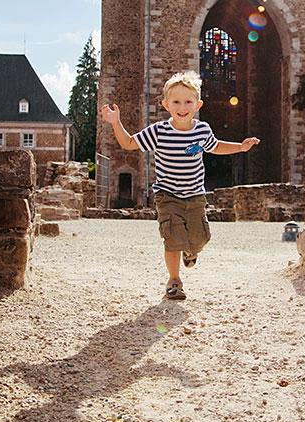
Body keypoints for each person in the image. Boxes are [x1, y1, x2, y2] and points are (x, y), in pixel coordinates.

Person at [101, 70, 260, 300]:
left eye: (188, 101)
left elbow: (216, 147)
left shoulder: (202, 130)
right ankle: (174, 281)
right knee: (173, 239)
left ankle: (191, 251)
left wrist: (240, 147)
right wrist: (116, 123)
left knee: (200, 238)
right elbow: (128, 143)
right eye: (176, 101)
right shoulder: (159, 132)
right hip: (168, 196)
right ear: (166, 104)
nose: (182, 106)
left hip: (195, 195)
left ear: (198, 104)